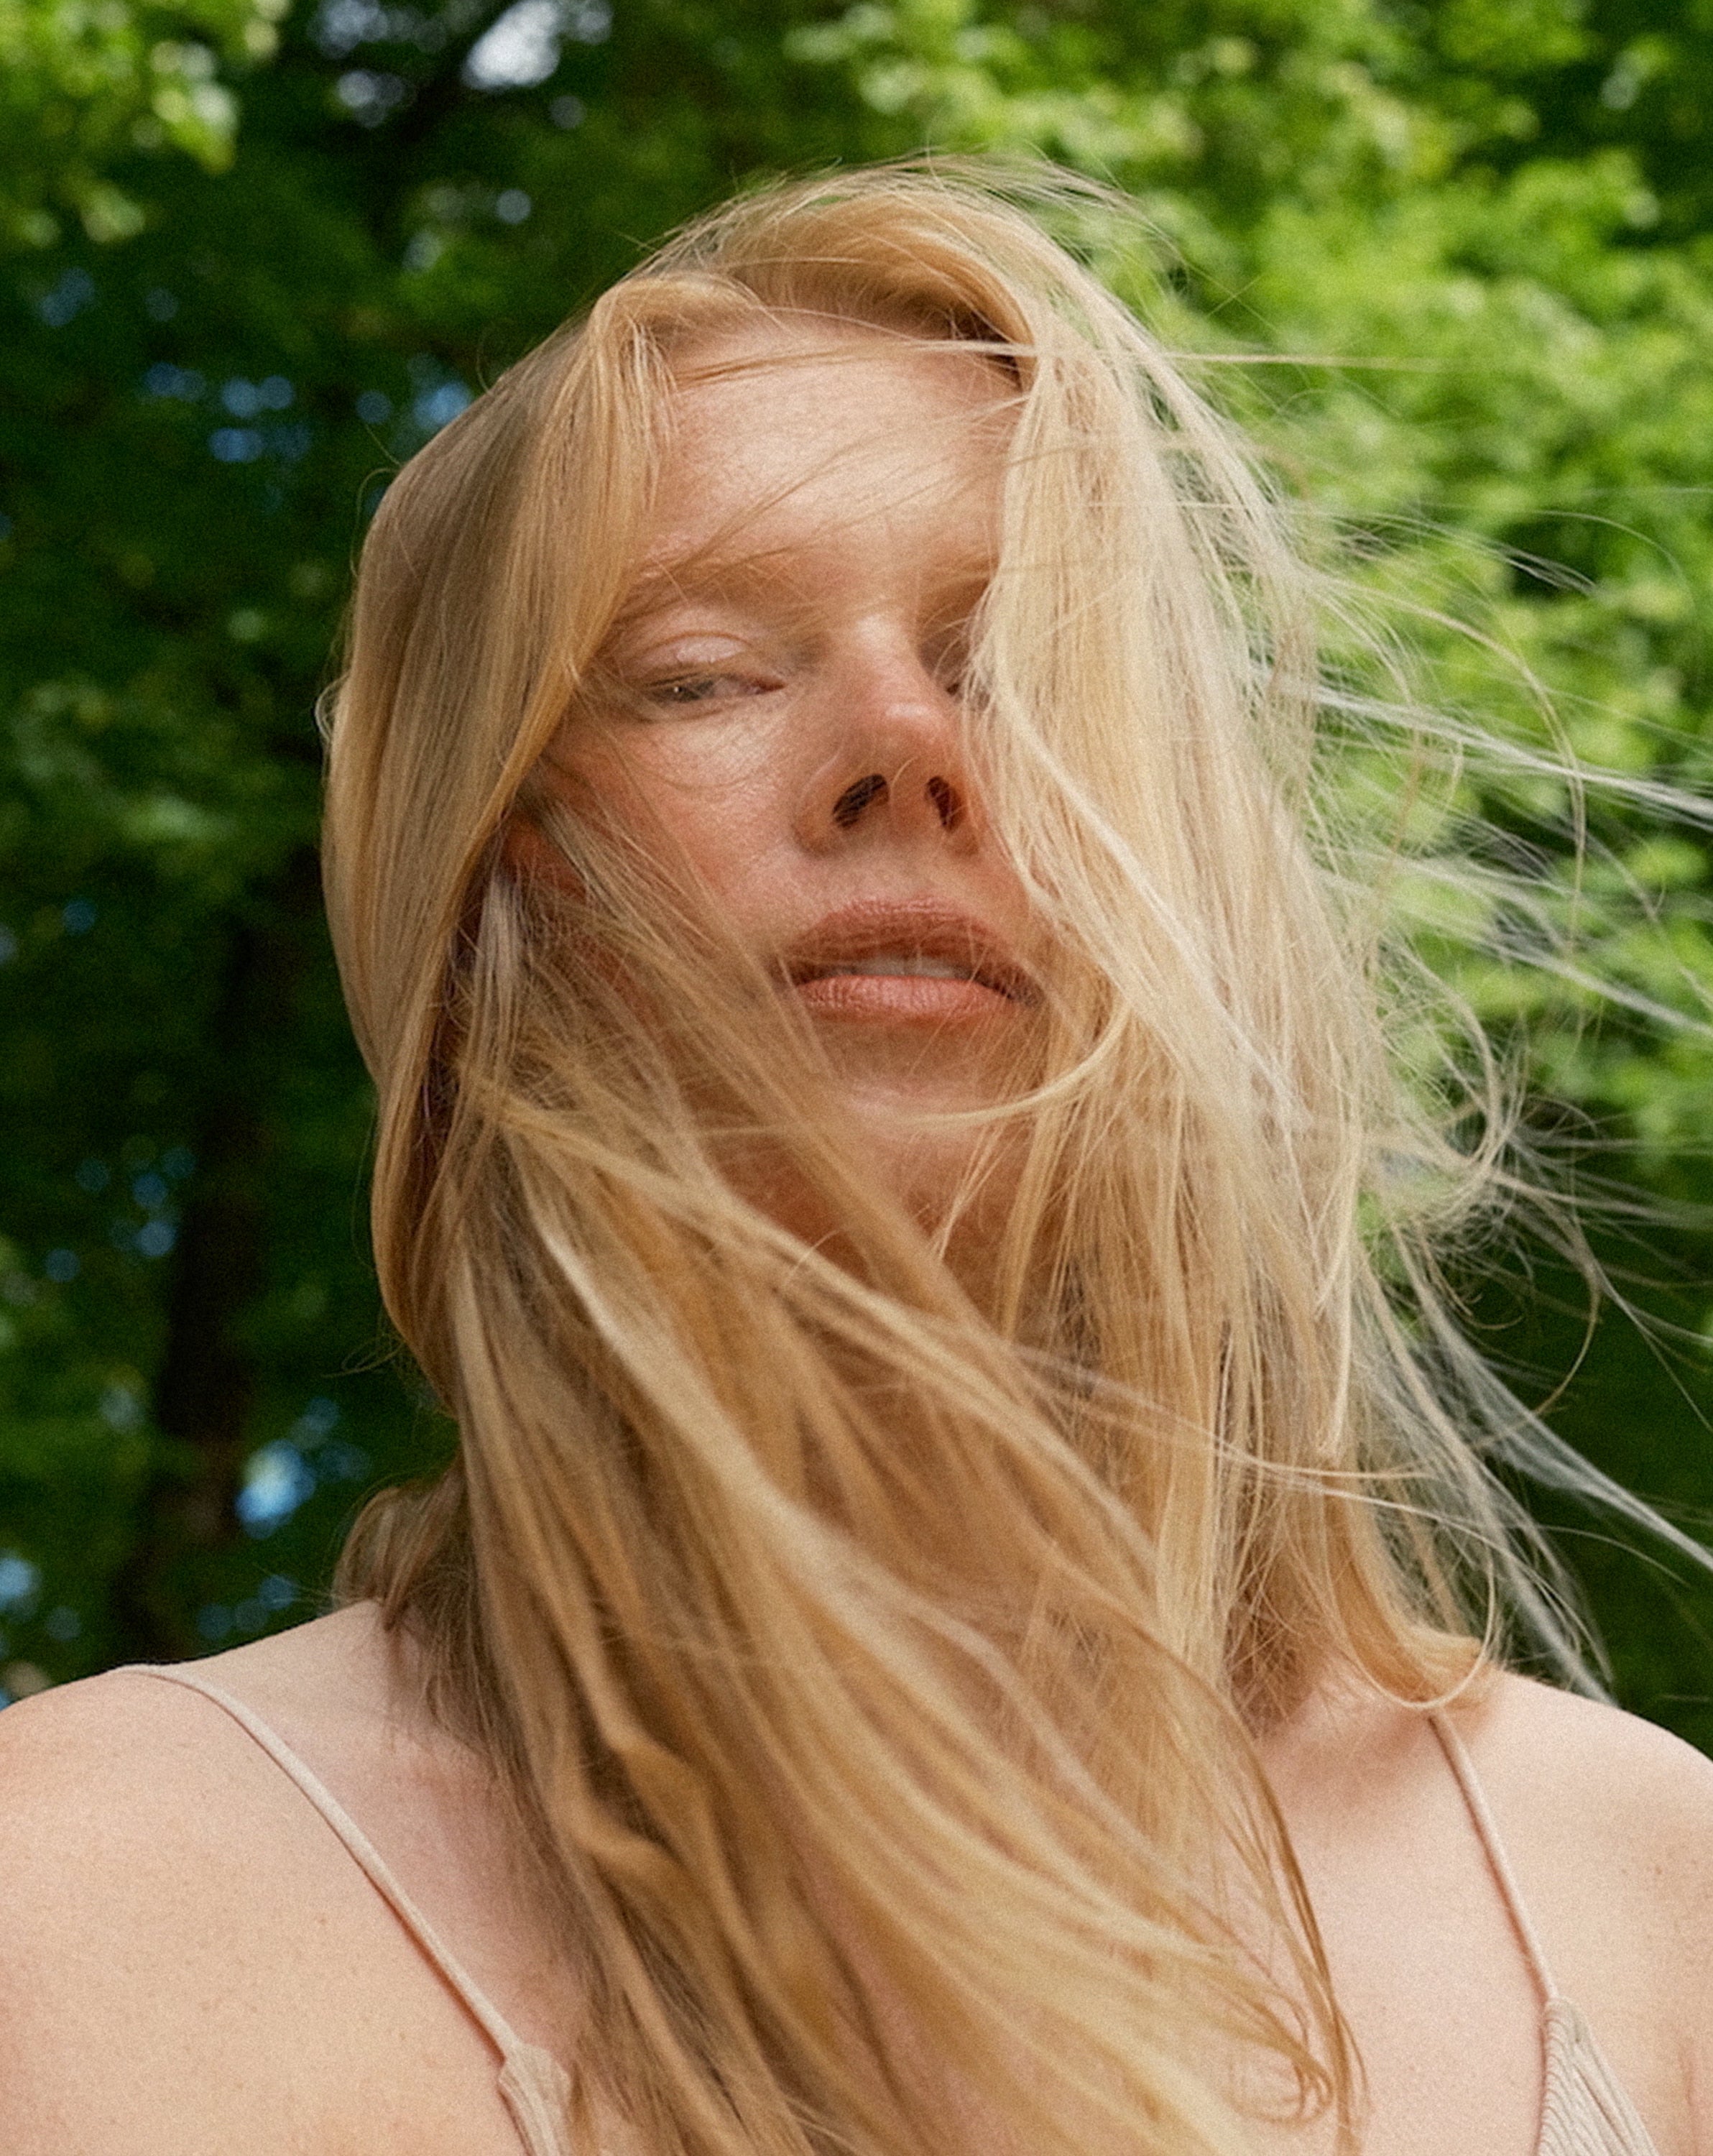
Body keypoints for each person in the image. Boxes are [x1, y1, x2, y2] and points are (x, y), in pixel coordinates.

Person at [1, 162, 1709, 2156]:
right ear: (492, 880)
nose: (905, 740)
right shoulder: (86, 1906)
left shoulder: (1646, 1896)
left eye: (1024, 668)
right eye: (703, 674)